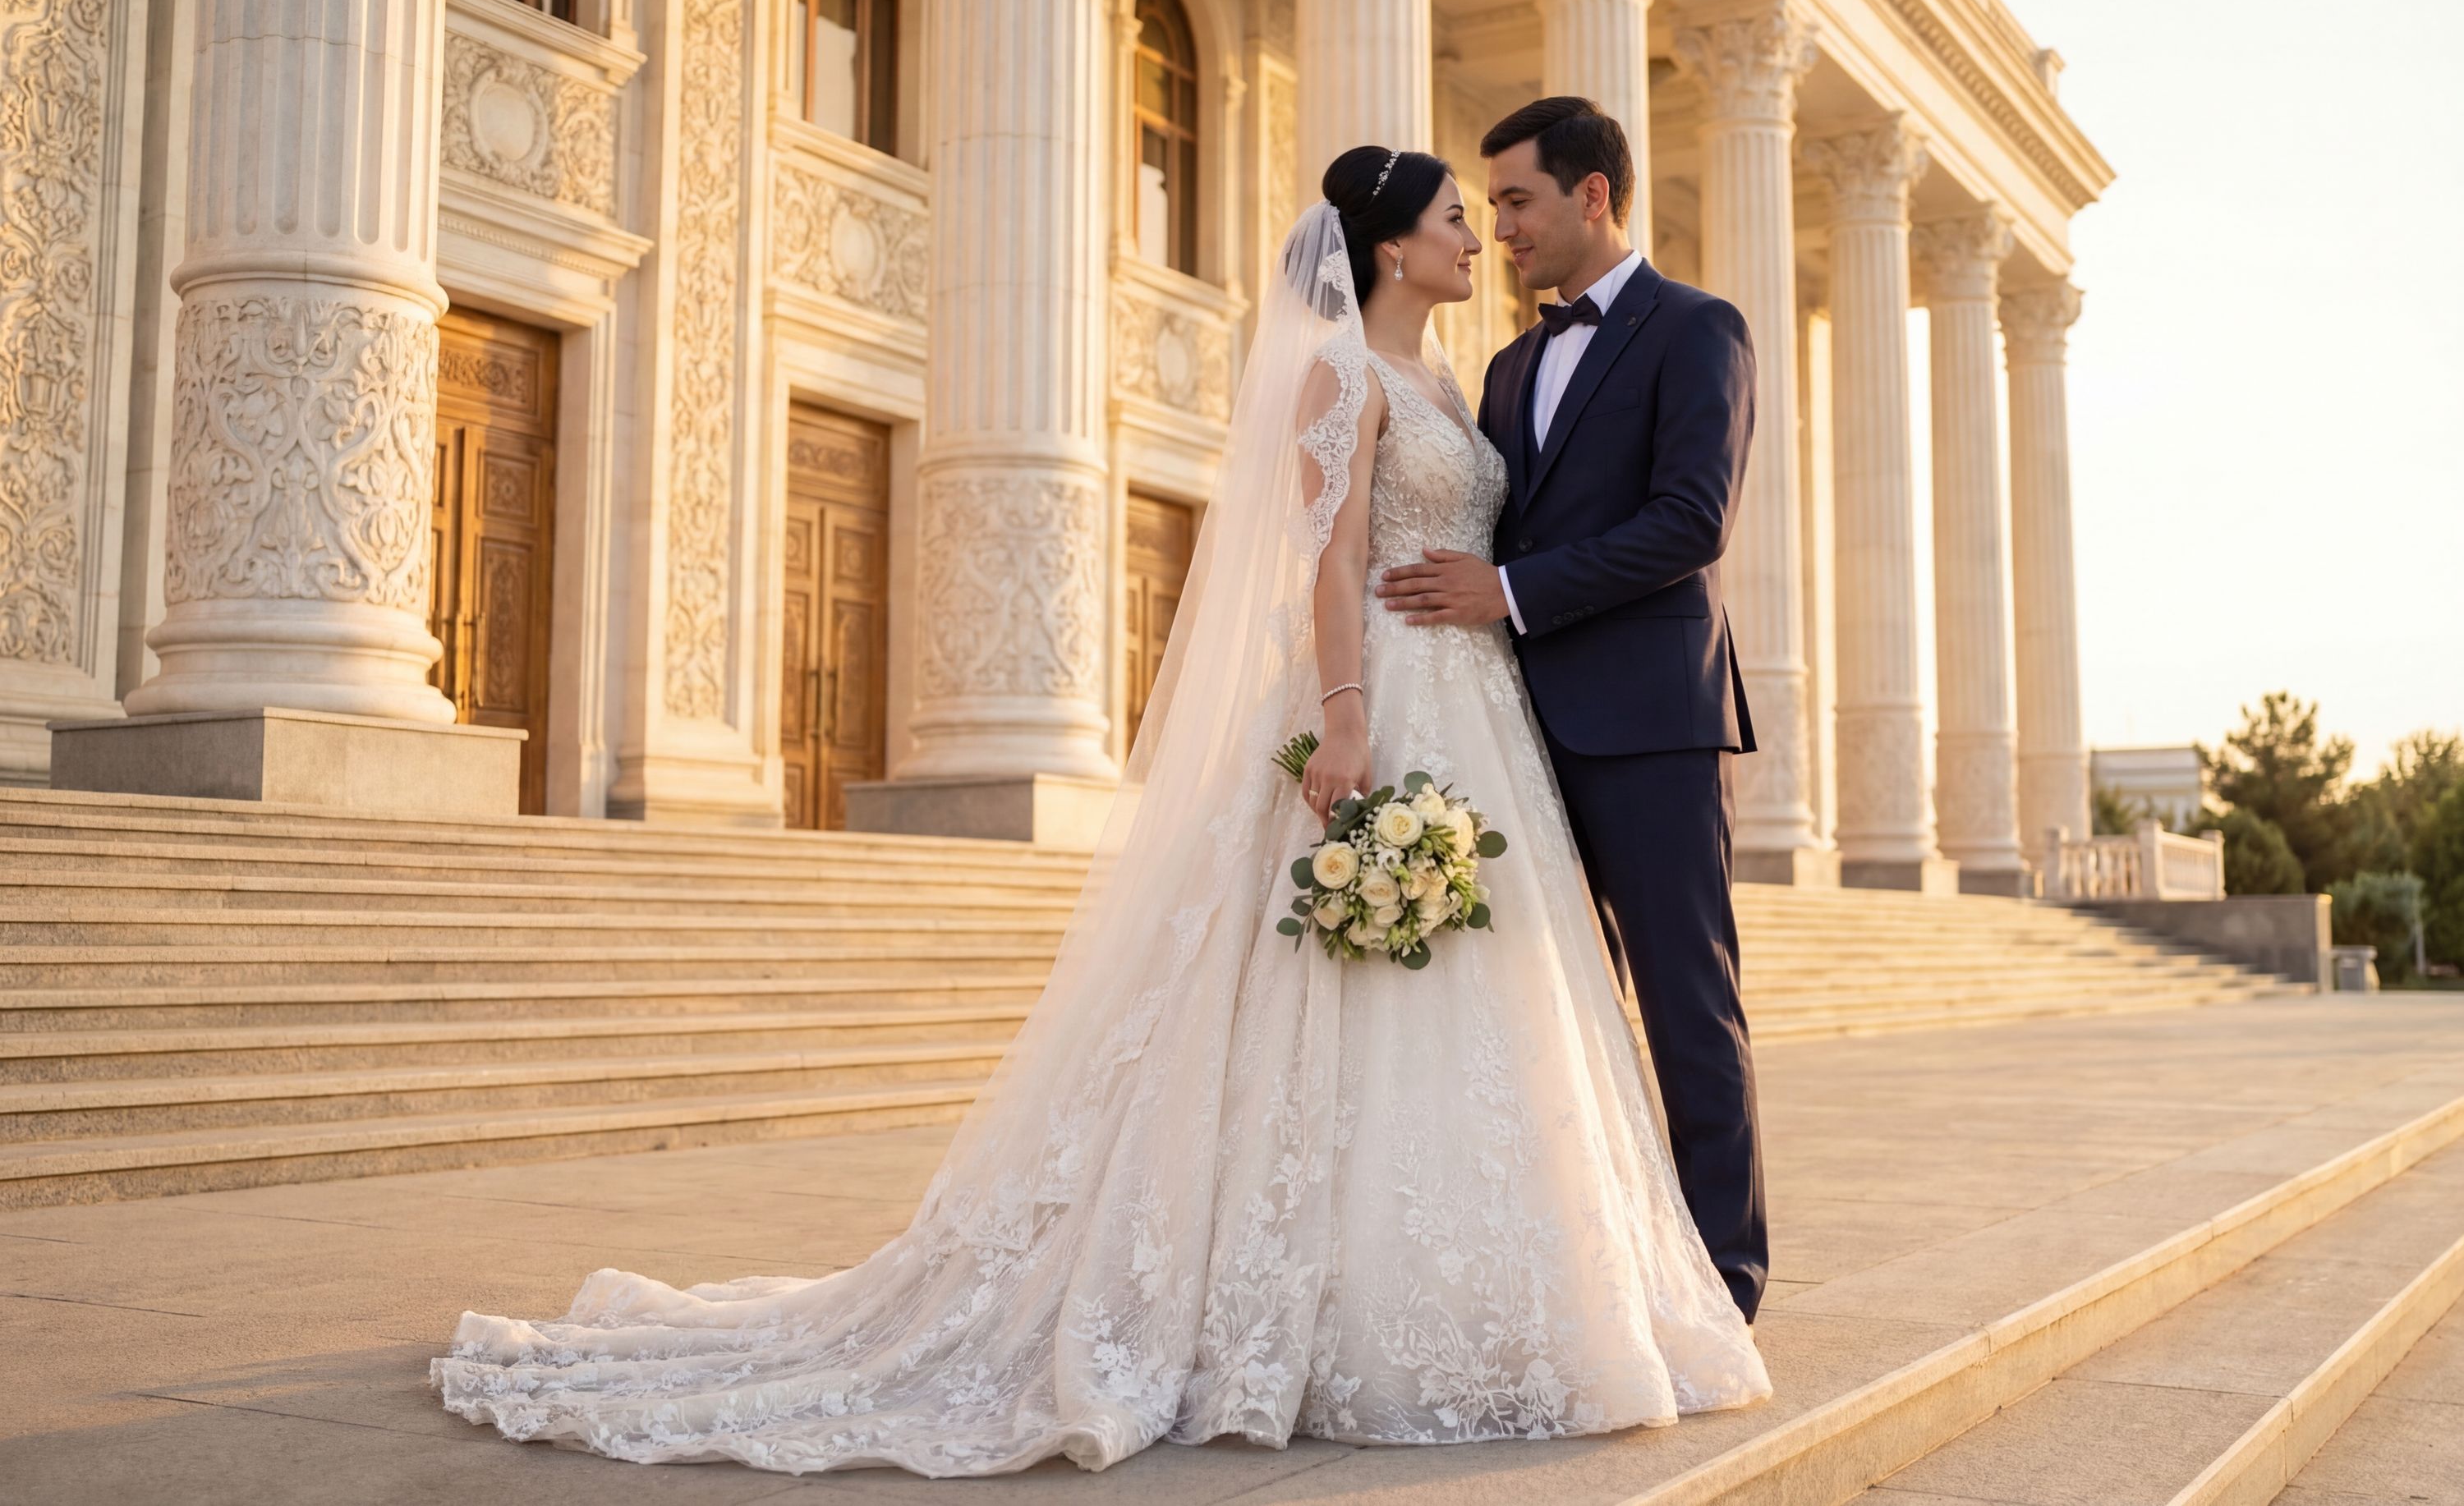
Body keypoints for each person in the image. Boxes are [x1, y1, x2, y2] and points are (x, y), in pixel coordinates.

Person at [431, 144, 1768, 1478]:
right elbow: (1332, 558)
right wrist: (1347, 711)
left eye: (1497, 211)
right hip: (1390, 693)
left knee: (1502, 1000)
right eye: (1459, 219)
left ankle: (1515, 1282)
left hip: (1485, 712)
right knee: (1345, 994)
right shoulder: (1343, 372)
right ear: (1389, 245)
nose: (1481, 238)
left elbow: (1594, 526)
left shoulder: (1463, 381)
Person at [1374, 97, 1769, 1324]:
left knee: (1687, 1005)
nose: (1499, 228)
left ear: (1593, 195)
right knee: (1554, 1020)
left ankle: (1723, 1283)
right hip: (1517, 734)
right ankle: (1605, 1271)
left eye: (1516, 200)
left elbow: (1692, 520)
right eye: (1488, 205)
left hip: (1652, 724)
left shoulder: (1699, 328)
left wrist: (1510, 593)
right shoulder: (1506, 365)